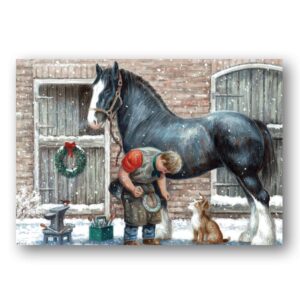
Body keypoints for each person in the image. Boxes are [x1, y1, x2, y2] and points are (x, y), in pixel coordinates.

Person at [111, 147, 182, 245]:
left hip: (148, 186)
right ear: (163, 160)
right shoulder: (137, 156)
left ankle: (149, 238)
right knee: (134, 213)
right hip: (131, 183)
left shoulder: (162, 167)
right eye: (165, 170)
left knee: (152, 212)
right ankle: (130, 240)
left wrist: (164, 191)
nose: (164, 172)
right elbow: (123, 174)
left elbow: (161, 177)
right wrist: (132, 189)